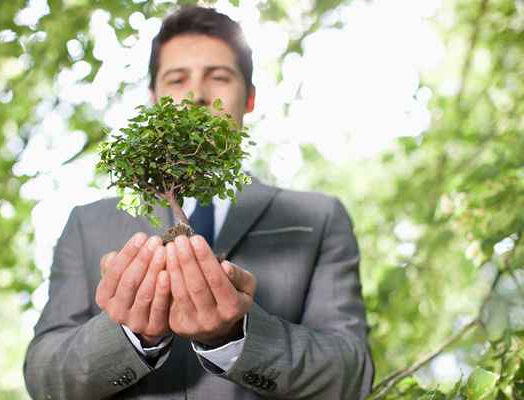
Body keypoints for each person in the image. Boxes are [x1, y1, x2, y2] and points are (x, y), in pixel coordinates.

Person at [24, 6, 374, 400]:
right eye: (177, 79)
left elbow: (351, 375)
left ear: (250, 99)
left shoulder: (318, 218)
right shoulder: (88, 225)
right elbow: (44, 377)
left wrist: (237, 337)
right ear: (154, 100)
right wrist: (128, 334)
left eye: (219, 77)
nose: (197, 97)